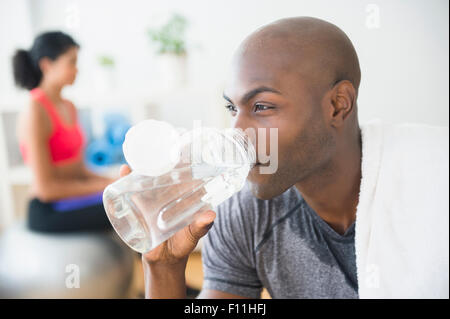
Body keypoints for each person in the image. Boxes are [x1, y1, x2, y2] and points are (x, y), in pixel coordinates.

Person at [120, 16, 448, 298]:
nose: (238, 132)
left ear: (338, 104)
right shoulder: (245, 215)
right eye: (232, 108)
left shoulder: (434, 183)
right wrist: (163, 268)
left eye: (261, 106)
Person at [13, 31, 115, 233]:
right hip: (48, 210)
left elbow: (79, 170)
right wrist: (106, 188)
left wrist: (114, 182)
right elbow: (46, 190)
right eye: (71, 62)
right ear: (46, 65)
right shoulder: (35, 109)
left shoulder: (69, 106)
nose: (77, 70)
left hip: (73, 199)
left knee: (132, 196)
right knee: (127, 207)